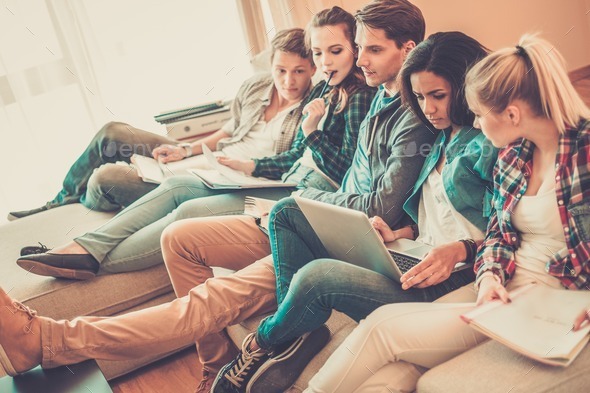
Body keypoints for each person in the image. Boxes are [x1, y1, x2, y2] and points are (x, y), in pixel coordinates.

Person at [0, 0, 431, 392]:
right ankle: (209, 359)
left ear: (407, 49)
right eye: (358, 48)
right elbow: (354, 186)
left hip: (329, 230)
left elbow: (376, 203)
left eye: (368, 50)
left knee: (209, 297)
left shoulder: (406, 113)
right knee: (179, 236)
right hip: (316, 218)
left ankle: (49, 339)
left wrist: (307, 199)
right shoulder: (377, 100)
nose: (359, 59)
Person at [212, 31, 498, 393]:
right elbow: (438, 211)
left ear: (465, 86)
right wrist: (401, 234)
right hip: (414, 253)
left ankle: (265, 341)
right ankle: (297, 333)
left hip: (447, 277)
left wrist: (462, 249)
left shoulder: (487, 143)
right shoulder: (438, 137)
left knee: (317, 278)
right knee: (288, 211)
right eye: (421, 97)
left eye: (438, 96)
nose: (427, 108)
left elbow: (507, 230)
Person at [304, 34, 590, 393]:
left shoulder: (583, 153)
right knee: (389, 377)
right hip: (504, 290)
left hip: (558, 300)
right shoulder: (515, 157)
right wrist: (489, 280)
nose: (477, 124)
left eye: (481, 115)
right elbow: (500, 235)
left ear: (512, 115)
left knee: (382, 329)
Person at [16, 15, 375, 280]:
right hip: (259, 176)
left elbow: (343, 167)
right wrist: (233, 164)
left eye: (335, 51)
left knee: (183, 211)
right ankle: (82, 246)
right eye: (320, 52)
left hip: (290, 190)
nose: (326, 61)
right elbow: (295, 154)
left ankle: (91, 259)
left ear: (353, 50)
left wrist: (307, 133)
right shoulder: (321, 91)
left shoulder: (356, 98)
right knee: (171, 184)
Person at [8, 28, 315, 222]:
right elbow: (228, 132)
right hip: (209, 156)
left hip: (237, 178)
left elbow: (286, 167)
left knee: (105, 178)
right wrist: (185, 149)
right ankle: (58, 202)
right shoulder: (256, 86)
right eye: (281, 70)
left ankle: (91, 196)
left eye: (299, 71)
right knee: (113, 133)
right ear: (271, 65)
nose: (288, 81)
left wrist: (241, 164)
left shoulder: (312, 110)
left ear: (313, 67)